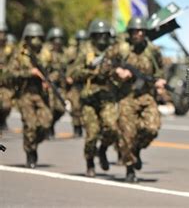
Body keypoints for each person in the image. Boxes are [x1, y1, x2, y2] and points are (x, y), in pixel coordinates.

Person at [110, 16, 166, 183]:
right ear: (130, 32)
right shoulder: (121, 49)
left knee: (152, 128)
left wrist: (160, 81)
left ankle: (137, 149)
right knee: (127, 135)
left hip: (146, 96)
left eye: (142, 31)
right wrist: (118, 72)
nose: (139, 34)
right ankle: (129, 168)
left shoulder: (152, 50)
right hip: (126, 97)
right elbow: (105, 65)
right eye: (136, 31)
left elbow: (160, 70)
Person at [67, 19, 118, 177]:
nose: (102, 38)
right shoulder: (85, 51)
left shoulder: (113, 51)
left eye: (105, 35)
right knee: (92, 134)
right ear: (93, 36)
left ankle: (102, 150)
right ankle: (90, 163)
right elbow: (74, 73)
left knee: (112, 128)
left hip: (107, 97)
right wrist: (93, 72)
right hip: (89, 99)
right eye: (99, 35)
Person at [7, 22, 53, 168]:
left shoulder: (46, 55)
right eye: (32, 37)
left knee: (46, 123)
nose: (36, 41)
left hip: (41, 94)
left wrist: (49, 80)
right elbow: (10, 74)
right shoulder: (20, 55)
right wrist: (29, 73)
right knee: (30, 125)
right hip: (25, 93)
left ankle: (33, 143)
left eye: (38, 37)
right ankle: (30, 153)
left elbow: (56, 70)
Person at [44, 27, 68, 138]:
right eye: (55, 39)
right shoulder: (46, 52)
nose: (58, 42)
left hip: (61, 85)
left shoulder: (64, 53)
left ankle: (52, 123)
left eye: (59, 39)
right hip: (49, 84)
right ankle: (48, 128)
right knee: (50, 107)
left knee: (61, 109)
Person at [65, 29, 88, 137]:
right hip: (74, 83)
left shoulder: (88, 52)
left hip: (85, 82)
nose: (82, 43)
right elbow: (66, 66)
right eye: (80, 40)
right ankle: (76, 128)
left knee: (85, 106)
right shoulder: (72, 53)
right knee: (75, 106)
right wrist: (68, 77)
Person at [0, 25, 15, 131]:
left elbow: (14, 63)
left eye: (3, 33)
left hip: (5, 82)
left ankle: (2, 120)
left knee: (6, 105)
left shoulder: (10, 48)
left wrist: (5, 69)